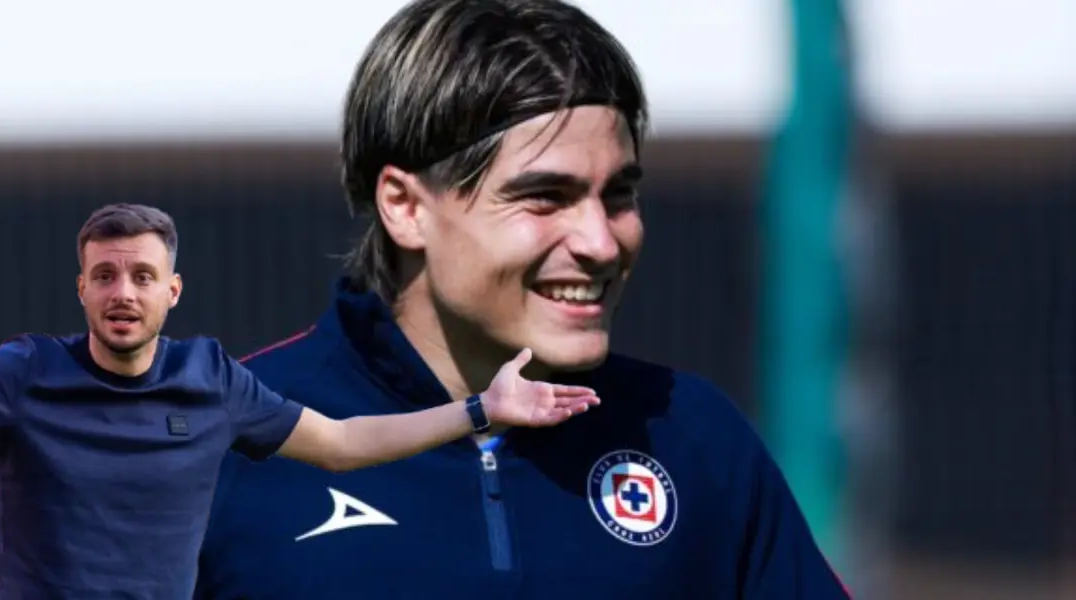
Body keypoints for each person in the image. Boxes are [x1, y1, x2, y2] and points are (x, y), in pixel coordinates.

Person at [193, 0, 851, 598]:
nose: (599, 241)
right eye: (545, 196)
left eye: (618, 194)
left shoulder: (693, 438)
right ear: (404, 207)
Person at [0, 203, 599, 599]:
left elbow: (343, 445)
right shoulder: (24, 372)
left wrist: (481, 408)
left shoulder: (211, 378)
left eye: (140, 275)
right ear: (82, 290)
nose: (122, 292)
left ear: (172, 291)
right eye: (104, 276)